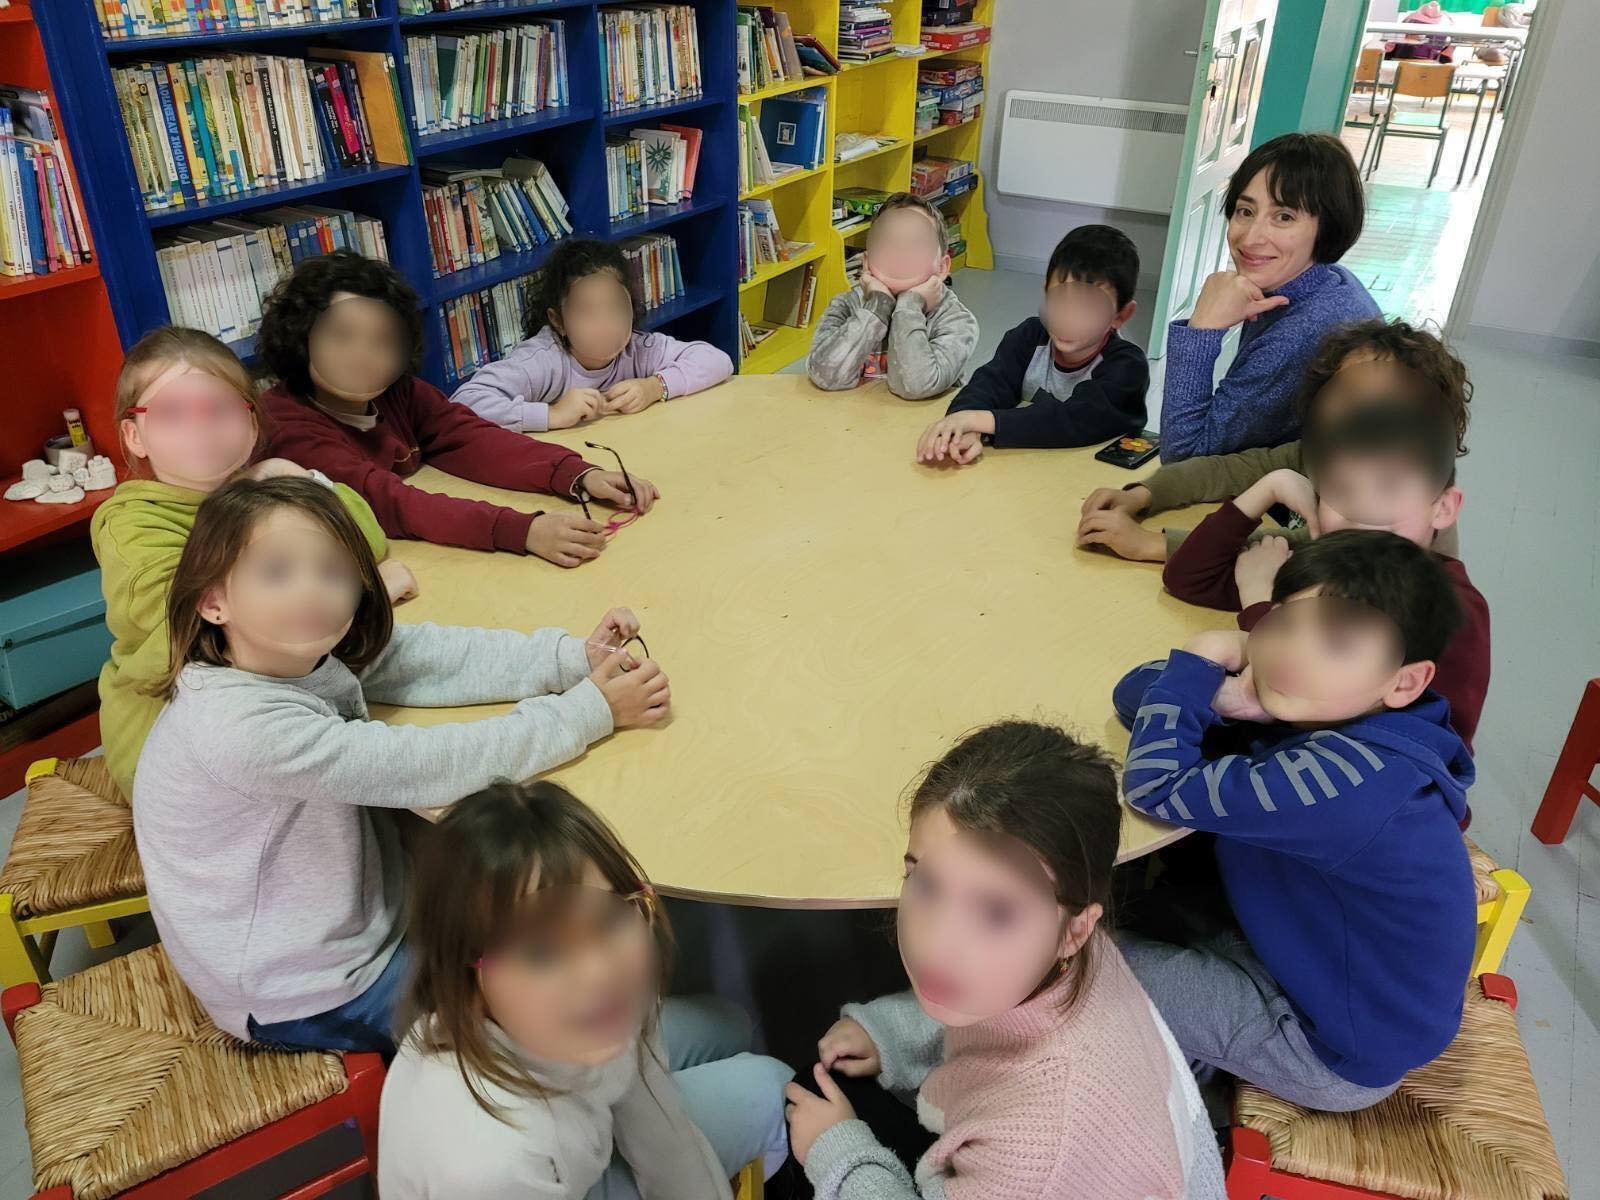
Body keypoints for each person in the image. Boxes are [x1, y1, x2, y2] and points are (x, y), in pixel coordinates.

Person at [132, 476, 670, 1052]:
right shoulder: (240, 728)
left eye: (333, 571)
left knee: (533, 923)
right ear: (213, 601)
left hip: (357, 913)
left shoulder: (287, 652)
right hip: (311, 987)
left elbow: (426, 657)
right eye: (277, 572)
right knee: (549, 1005)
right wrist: (590, 710)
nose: (312, 591)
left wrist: (571, 659)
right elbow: (426, 767)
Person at [783, 722, 1224, 1199]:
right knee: (823, 1082)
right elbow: (1000, 1019)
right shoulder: (1071, 948)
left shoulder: (1041, 1153)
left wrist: (840, 1155)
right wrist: (891, 1035)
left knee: (809, 1104)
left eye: (996, 912)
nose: (937, 945)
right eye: (925, 883)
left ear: (1076, 930)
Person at [1117, 531, 1478, 1111]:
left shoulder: (1341, 780)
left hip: (1326, 1048)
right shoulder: (1344, 712)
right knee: (1108, 906)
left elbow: (1154, 784)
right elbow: (1132, 695)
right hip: (1298, 955)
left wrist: (1204, 660)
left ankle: (1189, 1085)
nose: (1291, 653)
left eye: (1336, 644)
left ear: (1405, 681)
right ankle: (1185, 1050)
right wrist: (1224, 698)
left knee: (1065, 956)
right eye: (1283, 622)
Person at [379, 779, 793, 1199]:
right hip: (545, 1176)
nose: (600, 973)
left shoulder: (598, 1002)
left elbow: (658, 1121)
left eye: (608, 919)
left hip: (578, 1125)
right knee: (772, 1086)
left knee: (731, 1021)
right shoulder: (492, 1165)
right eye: (541, 952)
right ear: (466, 979)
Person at [92, 325, 415, 801]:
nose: (200, 429)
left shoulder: (255, 490)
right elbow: (194, 634)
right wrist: (366, 595)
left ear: (252, 421)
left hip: (277, 692)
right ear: (133, 435)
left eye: (220, 409)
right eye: (171, 413)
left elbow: (368, 540)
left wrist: (298, 478)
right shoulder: (133, 525)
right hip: (172, 747)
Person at [255, 250, 656, 568]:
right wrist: (522, 530)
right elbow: (391, 504)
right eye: (342, 337)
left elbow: (472, 439)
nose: (363, 355)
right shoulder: (289, 427)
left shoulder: (397, 392)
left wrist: (579, 474)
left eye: (382, 340)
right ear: (301, 337)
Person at [1158, 403, 1489, 750]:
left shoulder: (1449, 606)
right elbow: (1188, 577)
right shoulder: (1330, 562)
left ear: (1443, 507)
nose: (1361, 512)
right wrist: (1268, 489)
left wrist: (1259, 605)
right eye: (1341, 491)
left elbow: (1432, 746)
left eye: (1389, 488)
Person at [1078, 318, 1471, 563]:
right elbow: (1227, 470)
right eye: (1350, 395)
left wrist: (1151, 545)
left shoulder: (1406, 486)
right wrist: (1143, 495)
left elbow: (1292, 546)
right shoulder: (1320, 451)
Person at [1159, 133, 1380, 462]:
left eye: (1284, 217)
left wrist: (1201, 331)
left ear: (1327, 227)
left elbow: (1184, 457)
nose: (1251, 238)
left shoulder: (1301, 333)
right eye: (1245, 211)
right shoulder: (1332, 280)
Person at [916, 224, 1148, 465]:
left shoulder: (1127, 366)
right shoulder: (1030, 336)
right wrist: (964, 426)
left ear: (1121, 315)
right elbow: (990, 383)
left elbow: (1077, 419)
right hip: (1030, 468)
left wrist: (982, 421)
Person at [449, 238, 733, 432]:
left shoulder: (637, 347)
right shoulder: (543, 360)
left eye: (615, 308)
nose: (605, 325)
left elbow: (718, 360)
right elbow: (464, 402)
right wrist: (551, 414)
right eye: (586, 312)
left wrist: (655, 387)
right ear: (558, 321)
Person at [806, 192, 979, 400]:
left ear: (942, 267)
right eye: (888, 243)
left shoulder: (956, 319)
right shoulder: (846, 305)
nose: (901, 254)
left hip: (921, 419)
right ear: (867, 263)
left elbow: (916, 387)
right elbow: (825, 376)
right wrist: (878, 305)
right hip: (854, 415)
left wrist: (909, 307)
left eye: (916, 244)